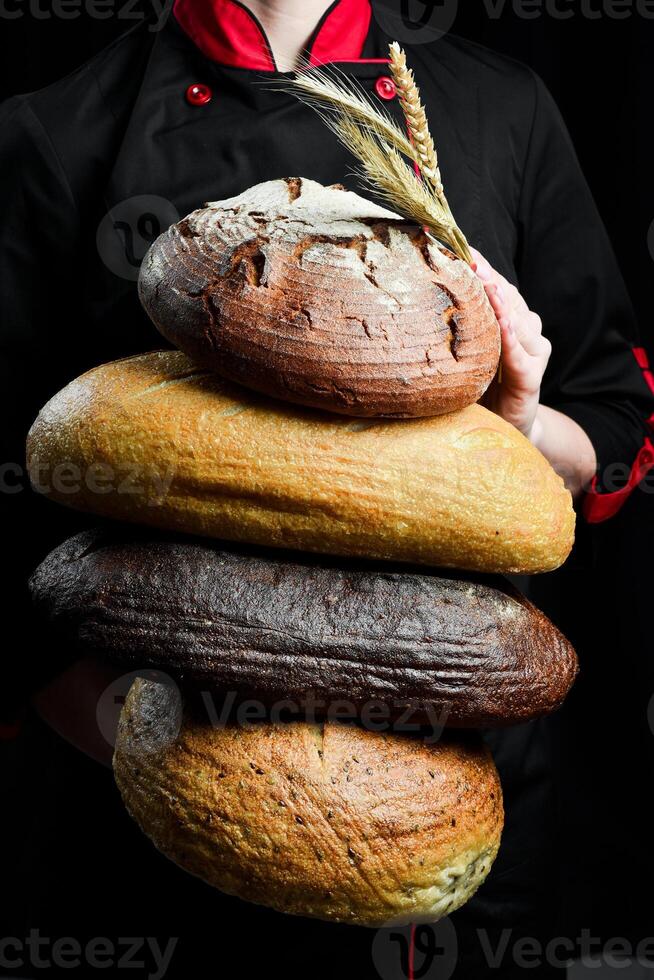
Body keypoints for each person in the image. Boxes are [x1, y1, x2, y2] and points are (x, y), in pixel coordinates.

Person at [1, 1, 652, 976]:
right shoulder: (56, 129)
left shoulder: (500, 106)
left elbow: (611, 430)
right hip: (157, 845)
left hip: (457, 794)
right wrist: (156, 760)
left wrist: (518, 417)